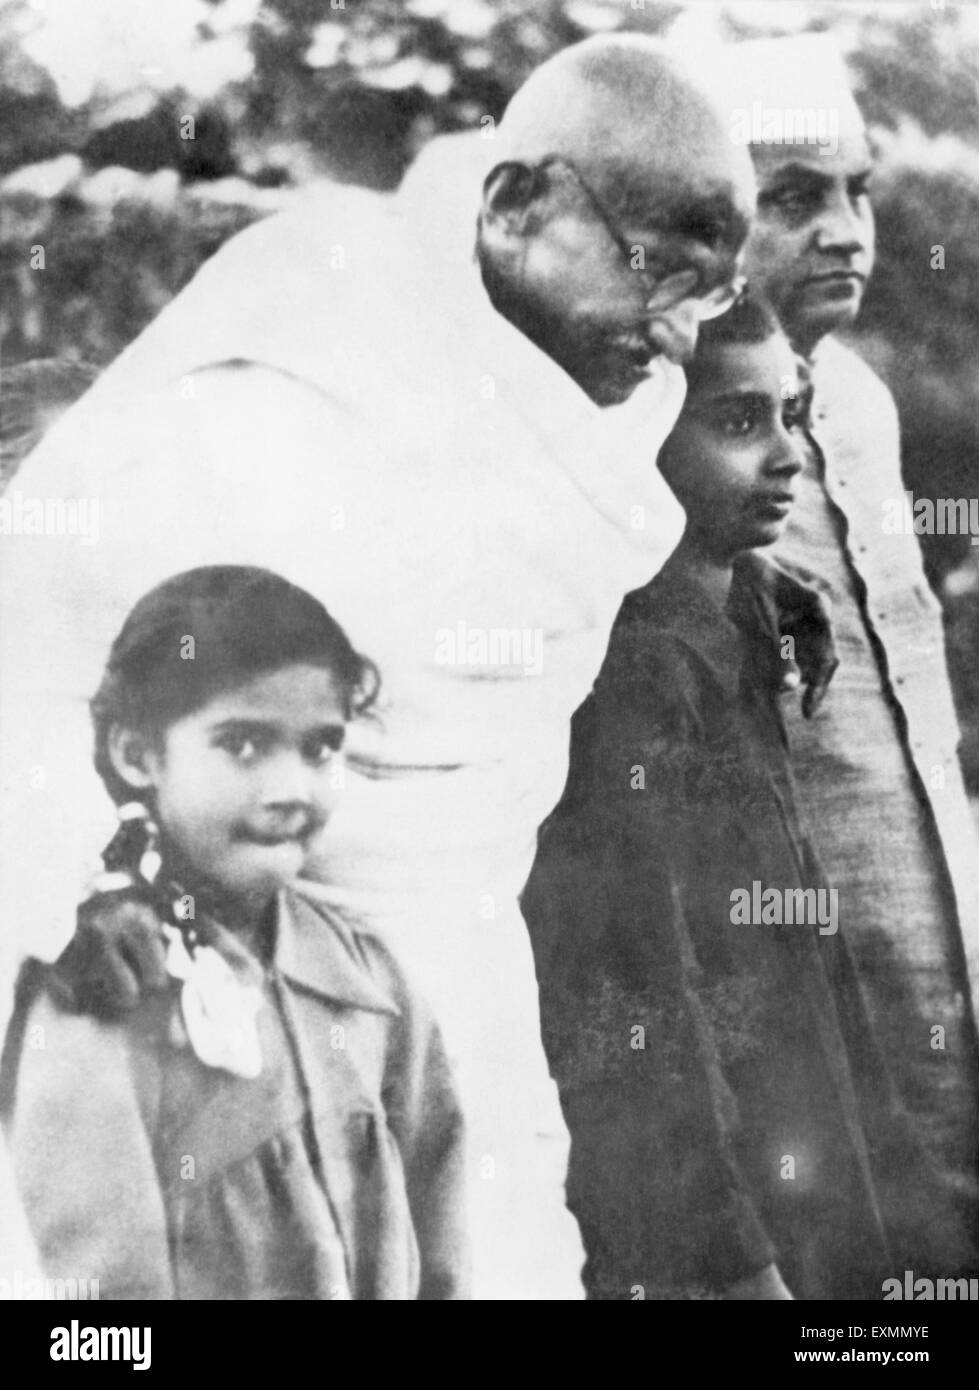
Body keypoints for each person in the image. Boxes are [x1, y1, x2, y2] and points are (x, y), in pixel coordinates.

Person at [0, 34, 759, 1298]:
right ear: (519, 203)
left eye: (711, 296)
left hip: (453, 982)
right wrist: (80, 905)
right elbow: (36, 656)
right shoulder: (294, 366)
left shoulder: (595, 410)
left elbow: (490, 794)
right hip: (218, 1003)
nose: (680, 337)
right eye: (654, 274)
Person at [521, 293, 971, 1300]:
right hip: (725, 1190)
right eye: (736, 421)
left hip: (802, 1111)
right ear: (638, 432)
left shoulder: (742, 612)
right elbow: (647, 1002)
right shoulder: (630, 677)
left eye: (792, 415)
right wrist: (730, 1262)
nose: (784, 455)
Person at [1, 565, 469, 1300]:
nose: (291, 789)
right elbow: (96, 1317)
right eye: (244, 745)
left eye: (320, 748)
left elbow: (443, 1248)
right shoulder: (100, 1003)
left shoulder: (373, 987)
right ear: (137, 755)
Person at [720, 35, 979, 1251]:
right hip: (793, 934)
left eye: (857, 191)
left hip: (934, 887)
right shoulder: (671, 429)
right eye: (791, 198)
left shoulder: (863, 404)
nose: (842, 229)